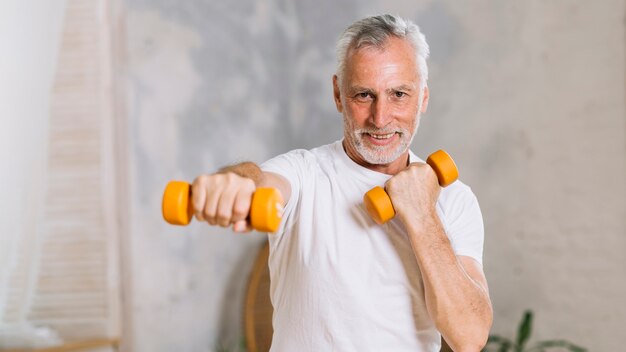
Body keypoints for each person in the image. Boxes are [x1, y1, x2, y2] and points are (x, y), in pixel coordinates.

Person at [191, 14, 492, 352]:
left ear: (422, 97)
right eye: (364, 95)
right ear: (338, 94)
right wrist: (234, 184)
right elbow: (259, 182)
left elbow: (470, 337)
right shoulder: (305, 174)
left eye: (398, 94)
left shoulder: (454, 200)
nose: (380, 118)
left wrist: (422, 216)